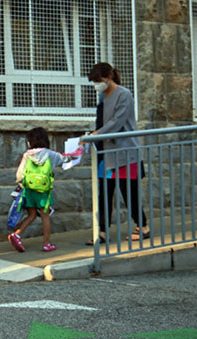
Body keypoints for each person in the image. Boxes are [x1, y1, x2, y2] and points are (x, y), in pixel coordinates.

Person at [82, 62, 149, 245]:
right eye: (94, 82)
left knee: (129, 193)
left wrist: (96, 135)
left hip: (125, 152)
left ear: (108, 77)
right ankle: (101, 232)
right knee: (104, 193)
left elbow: (117, 122)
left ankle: (143, 227)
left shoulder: (124, 94)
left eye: (98, 80)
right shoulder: (103, 96)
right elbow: (102, 122)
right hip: (107, 152)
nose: (97, 84)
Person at [8, 127, 74, 252]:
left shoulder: (27, 155)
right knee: (45, 216)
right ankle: (46, 243)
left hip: (29, 190)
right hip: (43, 192)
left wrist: (22, 186)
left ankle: (16, 234)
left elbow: (19, 175)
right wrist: (78, 151)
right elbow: (66, 159)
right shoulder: (51, 154)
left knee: (31, 215)